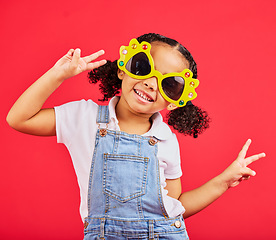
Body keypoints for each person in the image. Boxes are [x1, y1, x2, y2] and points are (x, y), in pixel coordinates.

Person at [6, 33, 265, 239]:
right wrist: (58, 75)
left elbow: (174, 205)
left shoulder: (165, 139)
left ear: (175, 102)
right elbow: (19, 119)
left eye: (169, 84)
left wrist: (223, 181)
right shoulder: (84, 118)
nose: (152, 83)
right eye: (144, 68)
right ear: (123, 69)